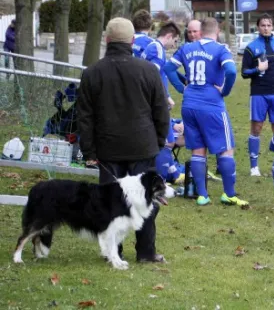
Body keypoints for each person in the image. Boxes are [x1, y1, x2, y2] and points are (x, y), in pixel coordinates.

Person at [77, 17, 169, 263]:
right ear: (131, 40)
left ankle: (113, 252)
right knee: (147, 200)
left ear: (107, 40)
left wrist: (89, 151)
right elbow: (161, 110)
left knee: (111, 203)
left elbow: (84, 117)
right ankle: (146, 252)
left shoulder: (92, 73)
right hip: (143, 145)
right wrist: (159, 141)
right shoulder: (148, 71)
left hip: (107, 149)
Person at [164, 17, 248, 207]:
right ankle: (229, 194)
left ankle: (202, 195)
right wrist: (224, 91)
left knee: (198, 149)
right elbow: (232, 72)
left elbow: (168, 68)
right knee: (226, 149)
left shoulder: (187, 48)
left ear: (200, 31)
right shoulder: (221, 49)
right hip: (212, 105)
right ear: (217, 31)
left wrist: (181, 87)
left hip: (189, 104)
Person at [241, 13, 274, 177]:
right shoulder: (251, 47)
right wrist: (258, 70)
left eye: (268, 25)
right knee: (256, 128)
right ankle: (254, 167)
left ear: (273, 27)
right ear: (258, 27)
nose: (266, 28)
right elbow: (244, 72)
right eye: (263, 25)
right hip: (258, 94)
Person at [142, 21, 181, 185]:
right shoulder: (157, 48)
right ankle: (160, 179)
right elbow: (153, 75)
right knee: (167, 141)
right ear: (169, 36)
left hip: (150, 101)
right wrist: (165, 97)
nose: (175, 44)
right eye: (176, 41)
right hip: (155, 102)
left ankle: (171, 174)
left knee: (165, 139)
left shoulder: (151, 47)